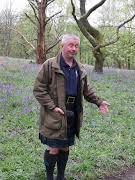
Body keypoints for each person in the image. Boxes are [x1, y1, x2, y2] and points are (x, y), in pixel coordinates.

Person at [33, 34, 110, 180]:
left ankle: (61, 176)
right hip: (54, 114)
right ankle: (49, 177)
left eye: (76, 46)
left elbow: (86, 91)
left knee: (65, 147)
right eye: (70, 45)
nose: (73, 49)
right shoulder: (50, 65)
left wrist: (99, 102)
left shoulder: (80, 69)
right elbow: (39, 89)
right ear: (62, 46)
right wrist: (52, 107)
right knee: (54, 148)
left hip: (73, 112)